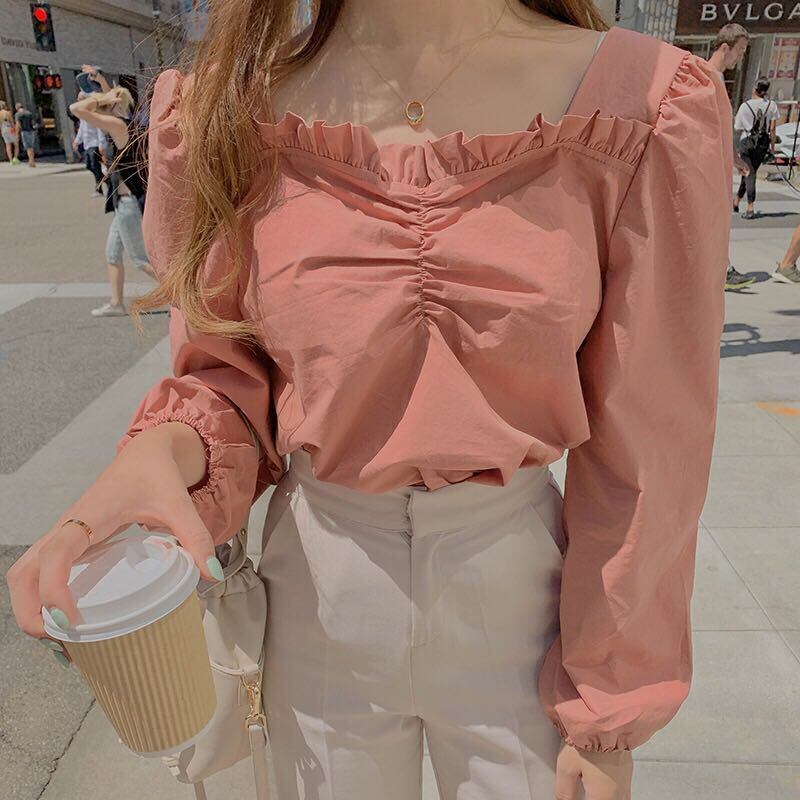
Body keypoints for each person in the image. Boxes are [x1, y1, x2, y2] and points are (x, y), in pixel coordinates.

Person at [6, 3, 732, 799]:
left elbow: (650, 442)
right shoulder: (227, 105)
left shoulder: (645, 103)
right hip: (318, 585)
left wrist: (608, 699)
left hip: (521, 592)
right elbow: (227, 374)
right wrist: (162, 450)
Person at [68, 81, 155, 316]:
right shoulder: (122, 125)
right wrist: (103, 93)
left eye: (100, 110)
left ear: (110, 107)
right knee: (112, 254)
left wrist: (100, 99)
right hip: (121, 203)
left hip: (129, 204)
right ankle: (116, 304)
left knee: (139, 259)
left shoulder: (118, 125)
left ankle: (184, 297)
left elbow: (76, 109)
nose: (95, 116)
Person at [707, 23, 757, 291]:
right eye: (740, 50)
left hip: (714, 165)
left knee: (714, 221)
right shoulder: (709, 78)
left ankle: (722, 269)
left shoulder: (713, 78)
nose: (740, 57)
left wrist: (733, 157)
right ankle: (722, 271)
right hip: (708, 168)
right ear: (725, 47)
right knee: (713, 221)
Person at [734, 76, 779, 219]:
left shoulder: (745, 106)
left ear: (755, 89)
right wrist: (772, 148)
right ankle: (736, 201)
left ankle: (750, 207)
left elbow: (737, 128)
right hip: (763, 143)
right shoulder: (772, 105)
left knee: (749, 173)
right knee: (749, 171)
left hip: (747, 141)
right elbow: (772, 129)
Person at [72, 93, 106, 196]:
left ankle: (99, 189)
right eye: (78, 99)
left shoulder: (93, 113)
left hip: (94, 144)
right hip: (87, 144)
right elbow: (81, 130)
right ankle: (107, 180)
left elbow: (99, 129)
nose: (79, 101)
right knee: (89, 166)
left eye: (81, 99)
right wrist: (77, 141)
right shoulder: (82, 114)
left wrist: (101, 144)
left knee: (95, 166)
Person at [14, 102, 36, 167]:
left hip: (24, 131)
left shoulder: (17, 114)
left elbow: (18, 124)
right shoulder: (29, 113)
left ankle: (31, 161)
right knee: (31, 147)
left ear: (17, 108)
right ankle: (31, 161)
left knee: (28, 147)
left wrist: (17, 134)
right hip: (31, 131)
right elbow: (33, 122)